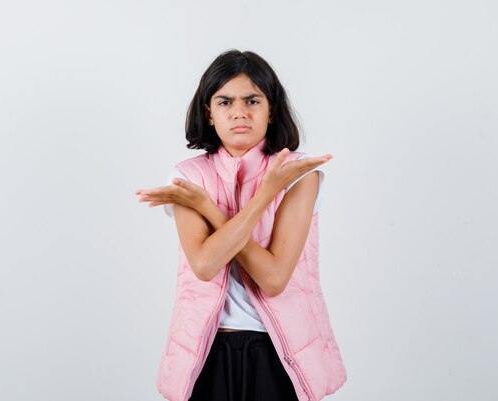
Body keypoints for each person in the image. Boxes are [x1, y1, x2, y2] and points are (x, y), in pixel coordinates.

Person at [135, 49, 347, 401]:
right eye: (224, 101)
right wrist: (264, 196)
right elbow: (204, 264)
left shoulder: (300, 175)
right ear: (209, 111)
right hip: (208, 351)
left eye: (252, 100)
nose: (239, 113)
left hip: (280, 352)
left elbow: (274, 278)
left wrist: (211, 207)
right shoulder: (187, 177)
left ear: (271, 108)